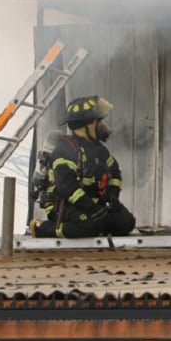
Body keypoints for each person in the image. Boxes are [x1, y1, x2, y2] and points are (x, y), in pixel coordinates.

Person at [29, 95, 136, 238]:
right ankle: (44, 229)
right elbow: (67, 188)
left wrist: (112, 198)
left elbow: (114, 174)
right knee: (89, 225)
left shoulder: (100, 150)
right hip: (65, 205)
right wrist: (93, 209)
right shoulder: (65, 150)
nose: (102, 127)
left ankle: (98, 225)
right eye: (99, 123)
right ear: (87, 126)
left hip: (93, 203)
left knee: (125, 223)